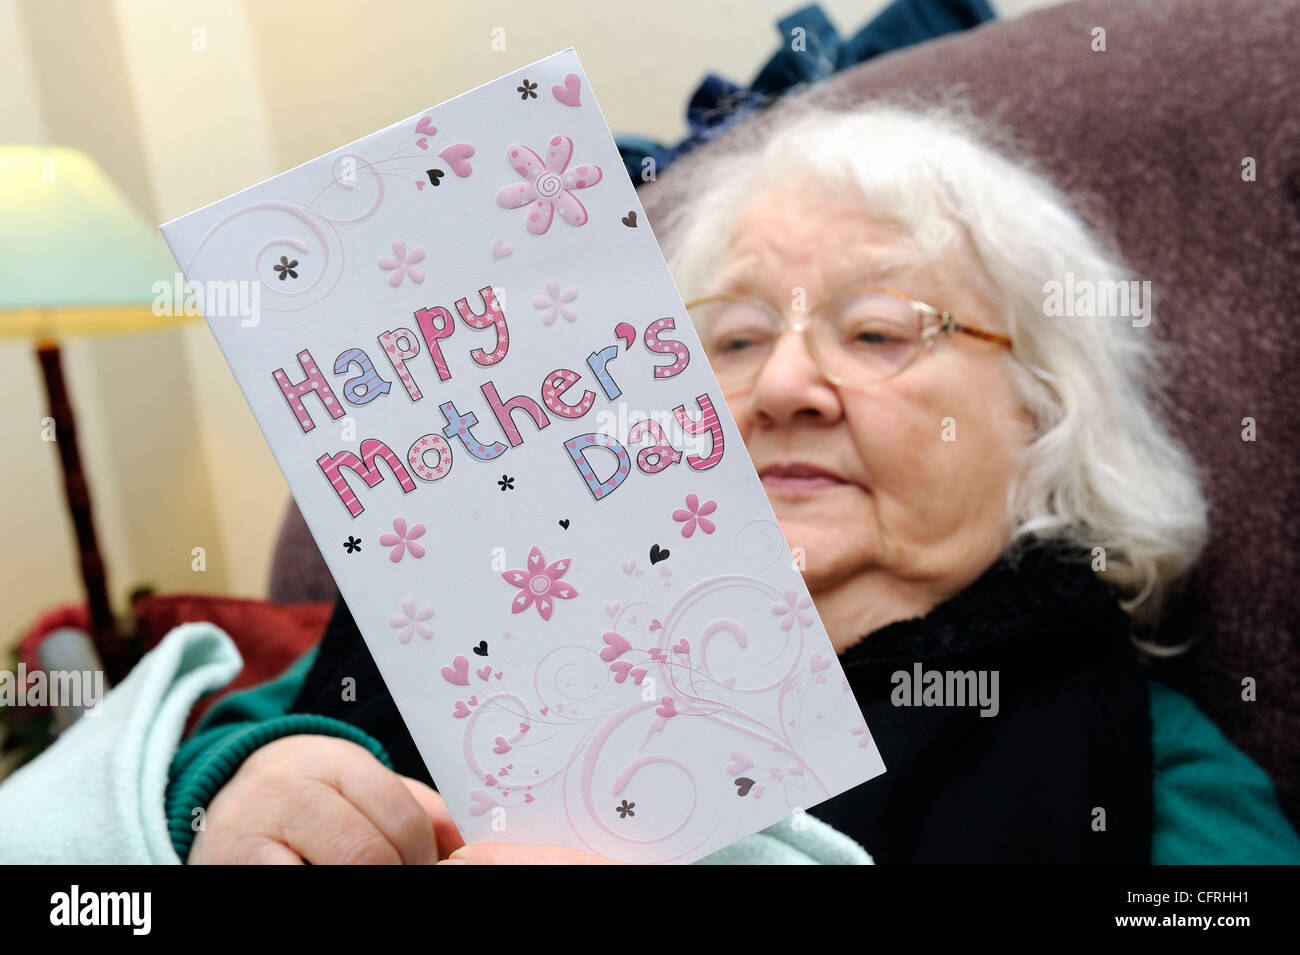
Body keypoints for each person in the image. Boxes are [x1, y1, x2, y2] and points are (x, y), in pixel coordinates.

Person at [167, 101, 1300, 864]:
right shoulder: (478, 633)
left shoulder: (1160, 777)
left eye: (878, 331)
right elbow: (119, 814)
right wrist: (240, 793)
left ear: (1045, 413)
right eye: (738, 340)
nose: (787, 385)